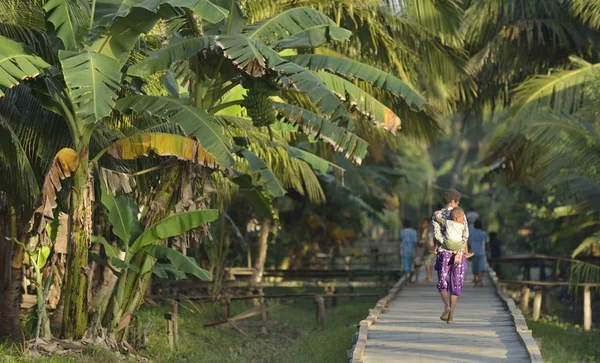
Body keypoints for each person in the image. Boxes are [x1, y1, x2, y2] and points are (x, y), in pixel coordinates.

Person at [432, 189, 469, 323]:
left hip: (443, 252)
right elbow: (466, 235)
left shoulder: (437, 214)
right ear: (453, 201)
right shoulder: (461, 214)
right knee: (456, 282)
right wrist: (459, 247)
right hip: (458, 253)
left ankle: (446, 306)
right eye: (457, 202)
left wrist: (446, 243)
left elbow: (436, 235)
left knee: (443, 281)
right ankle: (451, 314)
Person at [469, 219, 488, 287]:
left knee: (475, 266)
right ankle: (481, 280)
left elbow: (469, 242)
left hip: (473, 251)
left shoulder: (471, 232)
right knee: (481, 267)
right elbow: (486, 243)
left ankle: (475, 279)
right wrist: (487, 250)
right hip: (481, 252)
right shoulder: (483, 233)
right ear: (481, 226)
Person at [399, 219, 418, 283]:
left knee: (405, 265)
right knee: (411, 266)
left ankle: (406, 279)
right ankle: (410, 278)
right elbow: (415, 242)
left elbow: (401, 241)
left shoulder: (402, 232)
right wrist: (416, 251)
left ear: (404, 225)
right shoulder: (414, 232)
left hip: (404, 251)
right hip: (411, 251)